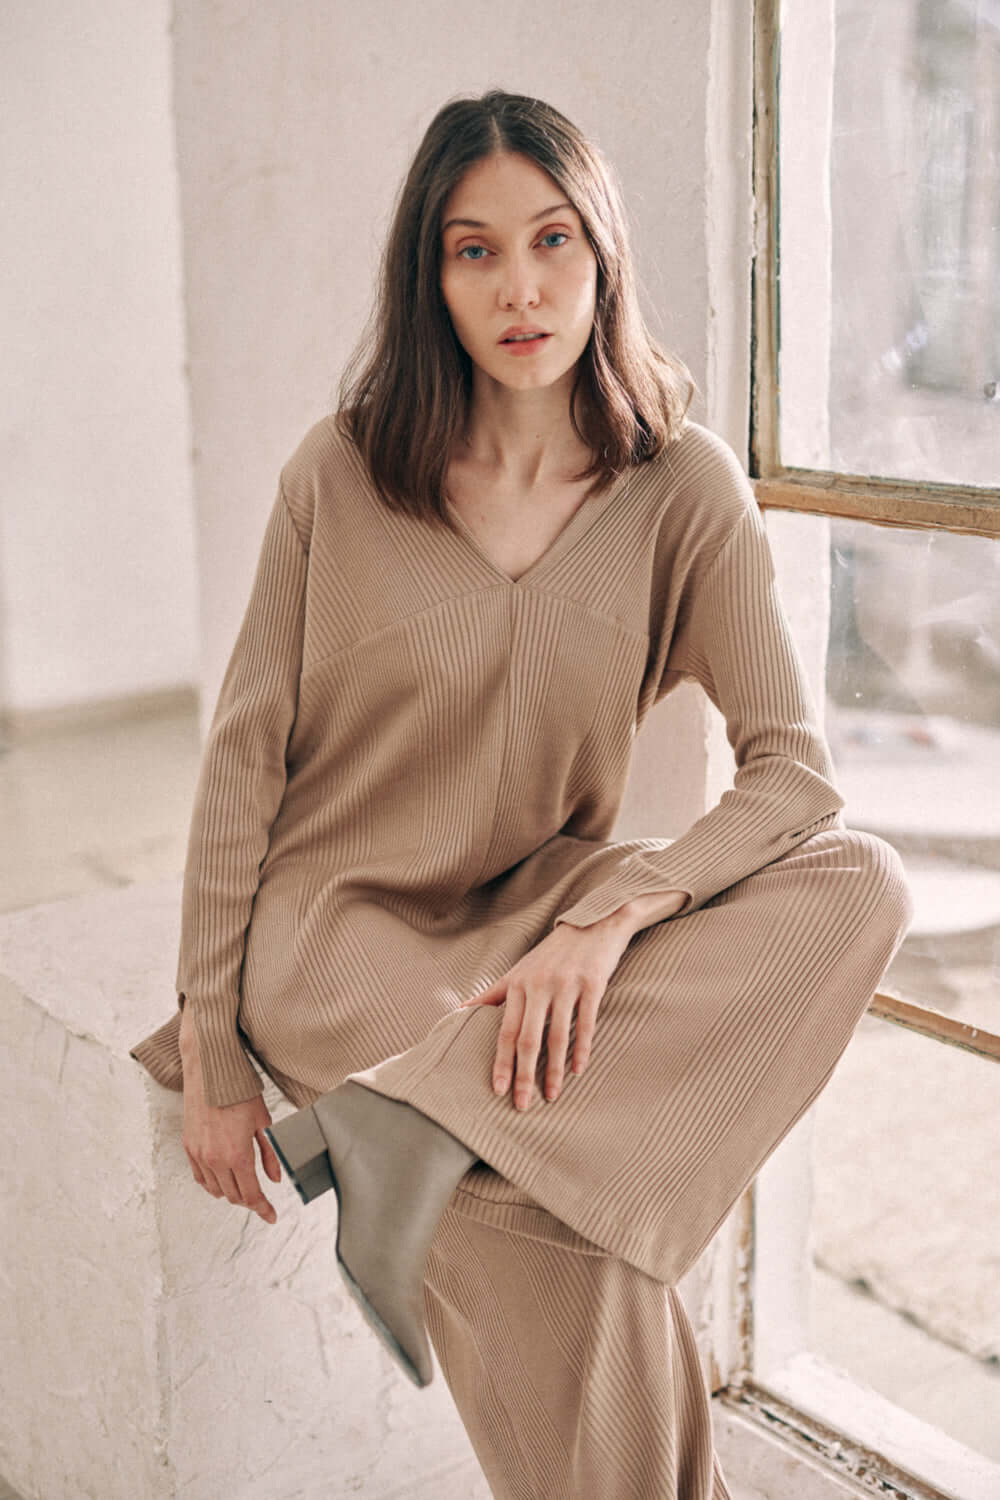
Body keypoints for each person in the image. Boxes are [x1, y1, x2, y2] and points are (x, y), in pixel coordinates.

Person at [132, 88, 912, 1499]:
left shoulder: (680, 488)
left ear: (603, 252)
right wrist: (214, 1051)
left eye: (553, 239)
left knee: (863, 882)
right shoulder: (344, 470)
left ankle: (404, 1119)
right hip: (341, 925)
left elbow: (794, 772)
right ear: (427, 278)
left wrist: (609, 914)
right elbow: (245, 757)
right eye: (472, 249)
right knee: (557, 1225)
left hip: (533, 919)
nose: (521, 286)